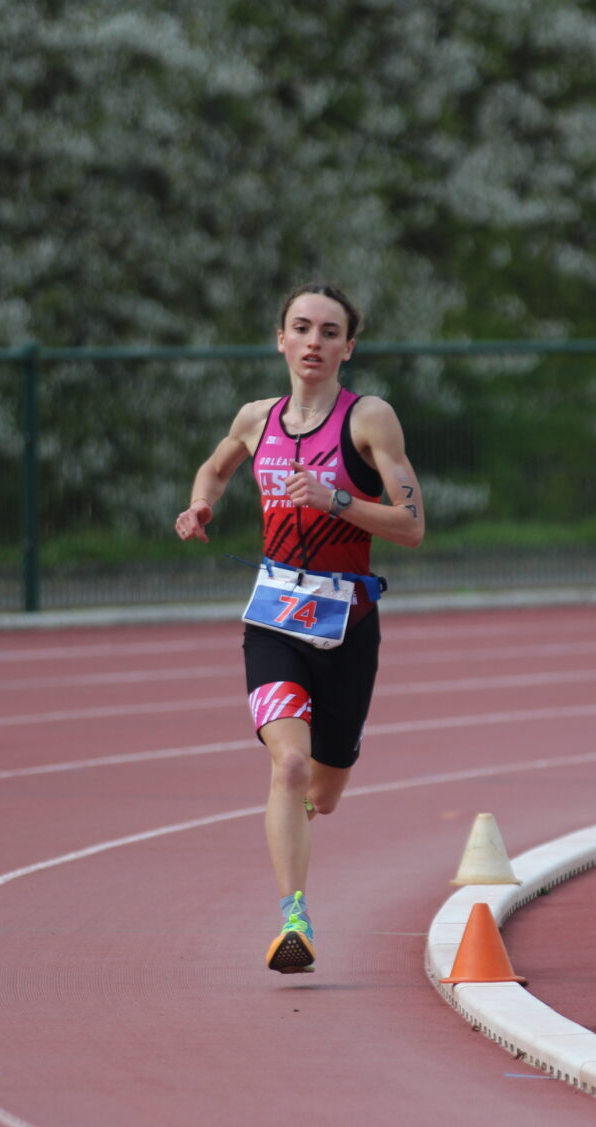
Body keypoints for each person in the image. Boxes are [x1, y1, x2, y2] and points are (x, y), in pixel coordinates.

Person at [173, 283, 426, 974]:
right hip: (274, 621)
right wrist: (200, 505)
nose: (314, 341)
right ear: (280, 340)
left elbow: (411, 526)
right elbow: (215, 467)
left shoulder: (369, 419)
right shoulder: (256, 418)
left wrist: (336, 498)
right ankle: (295, 918)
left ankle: (300, 819)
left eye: (329, 331)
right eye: (302, 327)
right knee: (287, 765)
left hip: (349, 626)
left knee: (324, 791)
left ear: (349, 348)